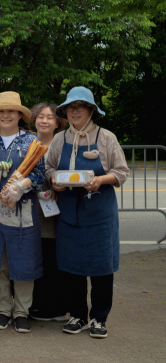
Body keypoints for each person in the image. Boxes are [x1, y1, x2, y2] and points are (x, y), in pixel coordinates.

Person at [46, 87, 129, 339]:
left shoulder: (106, 138)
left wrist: (101, 180)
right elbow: (50, 168)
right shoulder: (59, 139)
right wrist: (54, 181)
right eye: (71, 107)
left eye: (80, 106)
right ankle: (79, 315)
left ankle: (99, 318)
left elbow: (122, 172)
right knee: (71, 267)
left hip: (100, 213)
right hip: (69, 212)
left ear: (91, 110)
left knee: (102, 267)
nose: (75, 111)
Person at [0, 91, 45, 333]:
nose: (5, 115)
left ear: (19, 115)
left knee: (24, 261)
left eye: (10, 111)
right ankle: (3, 310)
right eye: (1, 111)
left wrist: (21, 186)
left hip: (22, 211)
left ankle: (22, 312)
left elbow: (39, 173)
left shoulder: (31, 142)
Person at [28, 103, 69, 322]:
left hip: (56, 208)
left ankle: (56, 306)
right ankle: (37, 302)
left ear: (57, 122)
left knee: (53, 255)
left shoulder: (62, 144)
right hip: (32, 208)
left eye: (50, 117)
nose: (44, 121)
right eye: (40, 116)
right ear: (34, 119)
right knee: (37, 254)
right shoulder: (27, 143)